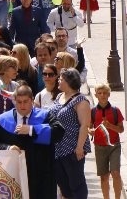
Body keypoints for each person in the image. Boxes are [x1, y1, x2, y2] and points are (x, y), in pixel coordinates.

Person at [0, 85, 57, 199]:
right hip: (14, 174)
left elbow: (59, 132)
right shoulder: (3, 120)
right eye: (19, 102)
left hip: (41, 174)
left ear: (32, 100)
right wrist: (7, 148)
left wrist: (31, 129)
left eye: (25, 101)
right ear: (14, 101)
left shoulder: (45, 116)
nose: (22, 105)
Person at [49, 67, 90, 199]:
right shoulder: (60, 96)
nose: (58, 81)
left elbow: (84, 125)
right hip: (57, 148)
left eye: (61, 79)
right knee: (64, 186)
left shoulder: (81, 100)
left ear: (69, 81)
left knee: (76, 185)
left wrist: (79, 147)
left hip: (72, 149)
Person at [91, 83, 125, 199]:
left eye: (105, 93)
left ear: (109, 94)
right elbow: (88, 127)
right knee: (104, 176)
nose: (102, 95)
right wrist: (90, 131)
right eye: (99, 93)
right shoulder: (93, 111)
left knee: (115, 173)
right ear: (96, 95)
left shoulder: (116, 110)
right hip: (99, 146)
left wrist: (110, 126)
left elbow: (121, 129)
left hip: (114, 145)